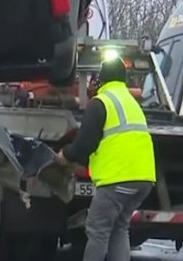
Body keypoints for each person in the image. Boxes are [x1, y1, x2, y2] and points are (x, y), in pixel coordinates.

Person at [55, 53, 156, 261]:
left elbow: (84, 145)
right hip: (144, 178)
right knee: (119, 227)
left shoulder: (101, 102)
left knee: (97, 230)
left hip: (118, 178)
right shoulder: (131, 102)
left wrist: (64, 156)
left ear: (101, 78)